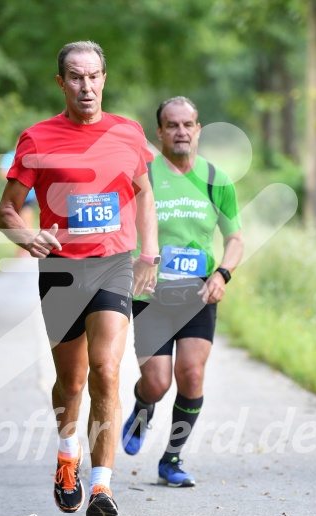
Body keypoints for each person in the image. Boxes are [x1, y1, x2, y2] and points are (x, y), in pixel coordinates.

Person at [0, 41, 159, 516]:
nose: (85, 87)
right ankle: (68, 455)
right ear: (60, 82)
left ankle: (103, 488)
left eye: (93, 77)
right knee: (72, 381)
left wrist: (148, 253)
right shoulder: (37, 139)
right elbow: (6, 211)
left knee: (107, 371)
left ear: (104, 78)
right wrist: (29, 234)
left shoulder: (128, 133)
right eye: (75, 77)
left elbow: (144, 191)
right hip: (63, 270)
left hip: (113, 265)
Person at [122, 96, 244, 487]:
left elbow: (236, 237)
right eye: (172, 125)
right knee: (157, 383)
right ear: (159, 131)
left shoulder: (215, 179)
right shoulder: (145, 175)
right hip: (151, 296)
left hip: (197, 295)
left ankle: (171, 460)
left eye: (187, 124)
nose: (180, 131)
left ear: (198, 129)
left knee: (191, 375)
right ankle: (143, 407)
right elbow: (123, 229)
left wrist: (222, 274)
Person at [0, 149, 37, 257]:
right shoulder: (10, 156)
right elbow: (1, 174)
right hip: (15, 196)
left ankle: (27, 250)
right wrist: (17, 173)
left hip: (29, 196)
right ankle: (22, 250)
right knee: (14, 222)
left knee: (27, 221)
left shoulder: (31, 155)